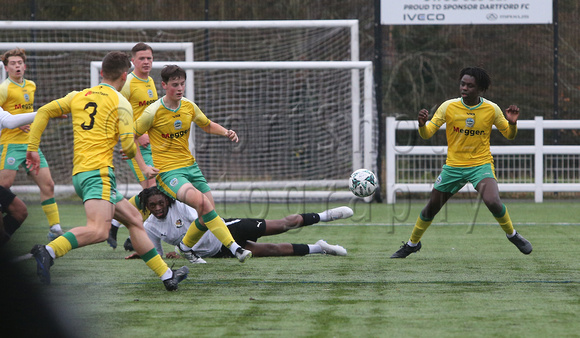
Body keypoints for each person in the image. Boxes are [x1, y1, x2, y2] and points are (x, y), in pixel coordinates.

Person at [25, 51, 188, 291]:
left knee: (134, 218)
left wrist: (32, 148)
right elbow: (127, 144)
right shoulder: (120, 102)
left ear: (101, 73)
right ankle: (48, 251)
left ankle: (167, 276)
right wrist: (134, 152)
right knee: (99, 231)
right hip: (97, 174)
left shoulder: (78, 96)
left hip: (82, 173)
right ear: (125, 75)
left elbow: (44, 112)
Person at [391, 66, 532, 258]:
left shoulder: (491, 109)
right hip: (454, 167)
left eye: (470, 86)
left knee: (492, 201)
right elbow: (427, 134)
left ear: (480, 89)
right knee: (431, 207)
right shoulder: (448, 106)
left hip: (480, 164)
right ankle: (412, 244)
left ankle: (513, 235)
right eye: (462, 84)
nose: (464, 88)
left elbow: (509, 134)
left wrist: (513, 123)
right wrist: (422, 125)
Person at [134, 64, 253, 263]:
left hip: (191, 167)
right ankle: (235, 248)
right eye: (174, 85)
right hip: (169, 173)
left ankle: (186, 247)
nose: (180, 88)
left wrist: (226, 131)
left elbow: (206, 125)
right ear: (164, 85)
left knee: (207, 215)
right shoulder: (152, 112)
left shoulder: (188, 106)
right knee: (201, 203)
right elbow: (130, 137)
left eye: (182, 84)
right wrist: (144, 167)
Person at [123, 187, 352, 260]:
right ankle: (319, 248)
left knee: (283, 224)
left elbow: (204, 222)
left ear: (167, 200)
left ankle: (325, 215)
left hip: (229, 229)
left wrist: (182, 247)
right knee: (271, 251)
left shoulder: (181, 206)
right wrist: (145, 253)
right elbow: (158, 253)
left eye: (161, 203)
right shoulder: (150, 226)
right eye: (152, 206)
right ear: (146, 207)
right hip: (216, 252)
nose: (158, 208)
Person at [0, 48, 64, 241]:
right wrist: (17, 124)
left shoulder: (31, 86)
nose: (17, 66)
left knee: (48, 183)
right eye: (13, 63)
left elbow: (28, 112)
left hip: (30, 145)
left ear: (25, 66)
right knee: (4, 186)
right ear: (6, 67)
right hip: (10, 143)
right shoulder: (4, 89)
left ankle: (55, 228)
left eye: (20, 63)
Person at [108, 42, 158, 249]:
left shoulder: (151, 82)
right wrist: (134, 139)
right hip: (138, 146)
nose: (146, 62)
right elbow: (118, 115)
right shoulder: (127, 84)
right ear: (133, 61)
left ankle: (117, 224)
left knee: (152, 193)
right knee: (153, 193)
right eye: (142, 59)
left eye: (149, 58)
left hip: (153, 146)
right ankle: (136, 236)